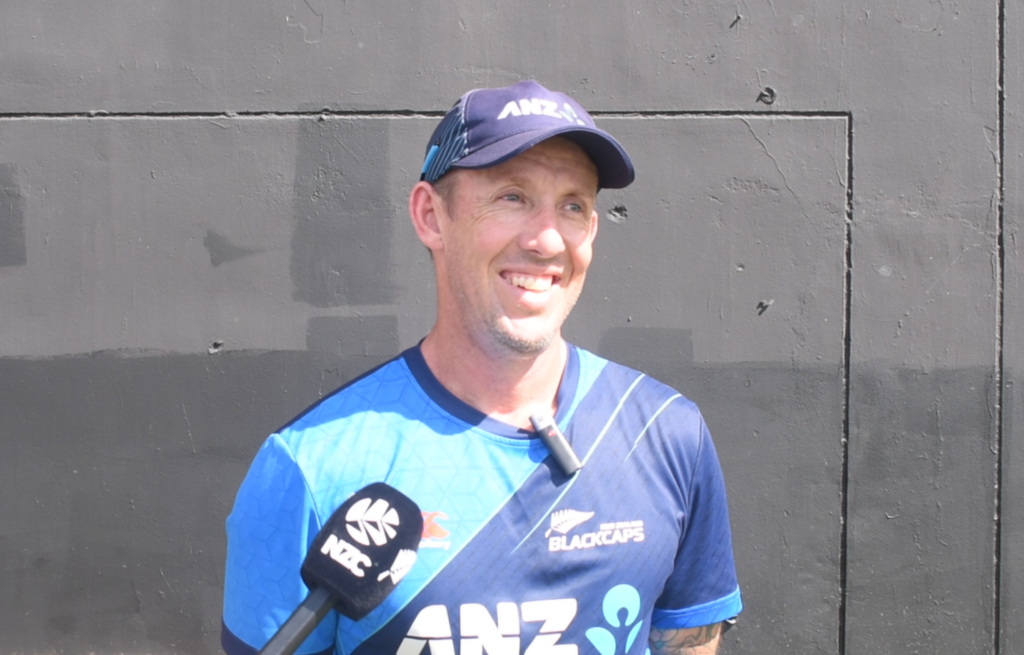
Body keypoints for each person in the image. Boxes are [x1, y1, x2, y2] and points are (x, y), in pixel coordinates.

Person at [221, 80, 742, 655]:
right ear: (431, 216)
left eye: (573, 205)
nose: (547, 240)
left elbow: (689, 640)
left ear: (592, 230)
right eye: (512, 197)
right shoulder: (309, 466)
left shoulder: (667, 433)